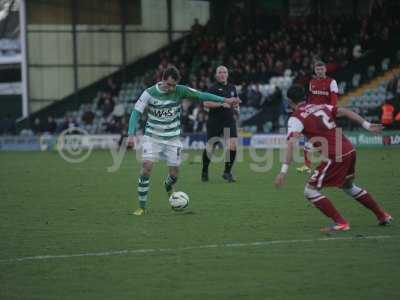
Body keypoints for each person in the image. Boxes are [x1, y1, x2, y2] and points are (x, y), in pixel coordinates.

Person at [275, 85, 392, 232]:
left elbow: (291, 143)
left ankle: (341, 223)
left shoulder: (296, 117)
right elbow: (344, 111)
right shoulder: (321, 106)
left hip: (335, 156)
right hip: (349, 149)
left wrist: (283, 171)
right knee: (347, 186)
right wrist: (367, 125)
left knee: (310, 191)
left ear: (290, 101)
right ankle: (382, 215)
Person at [127, 66, 240, 216]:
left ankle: (168, 186)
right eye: (169, 85)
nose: (172, 88)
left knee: (174, 174)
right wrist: (130, 134)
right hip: (152, 137)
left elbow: (202, 95)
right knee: (147, 167)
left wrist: (225, 99)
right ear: (162, 80)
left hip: (173, 138)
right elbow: (136, 113)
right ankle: (141, 207)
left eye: (174, 85)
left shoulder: (180, 90)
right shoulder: (149, 93)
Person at [297, 60, 340, 174]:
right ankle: (308, 165)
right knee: (311, 142)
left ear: (325, 69)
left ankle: (331, 163)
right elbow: (310, 99)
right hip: (314, 116)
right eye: (317, 69)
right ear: (315, 71)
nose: (319, 71)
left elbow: (334, 99)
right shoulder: (312, 82)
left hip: (326, 116)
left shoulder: (332, 82)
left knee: (320, 142)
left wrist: (332, 113)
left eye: (321, 69)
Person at [201, 66, 239, 182]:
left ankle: (227, 172)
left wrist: (236, 105)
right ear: (216, 75)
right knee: (211, 147)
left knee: (232, 145)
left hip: (228, 121)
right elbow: (206, 103)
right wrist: (221, 104)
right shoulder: (212, 88)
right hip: (215, 122)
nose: (222, 74)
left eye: (224, 72)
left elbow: (235, 101)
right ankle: (205, 171)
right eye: (220, 72)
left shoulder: (232, 87)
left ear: (227, 74)